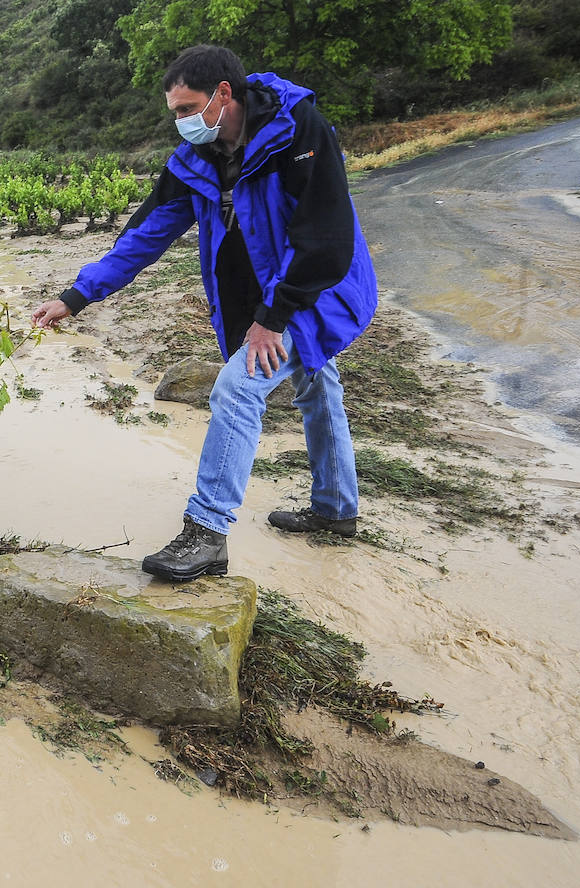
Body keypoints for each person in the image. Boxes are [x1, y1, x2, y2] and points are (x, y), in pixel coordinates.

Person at [32, 44, 377, 582]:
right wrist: (76, 297)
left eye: (187, 109)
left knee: (237, 388)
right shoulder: (195, 159)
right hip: (266, 296)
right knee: (317, 382)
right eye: (174, 113)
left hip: (317, 287)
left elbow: (325, 240)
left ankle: (207, 533)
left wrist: (271, 319)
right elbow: (143, 237)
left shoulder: (300, 133)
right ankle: (335, 511)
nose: (181, 123)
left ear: (224, 94)